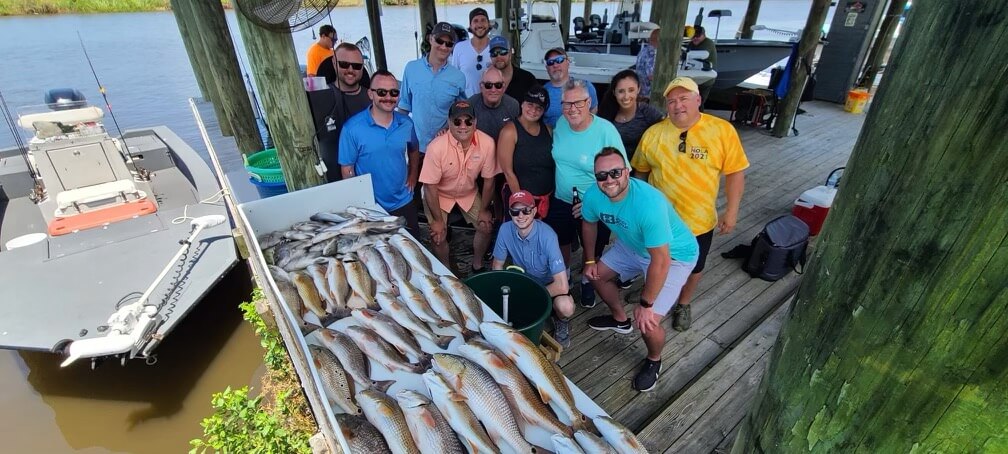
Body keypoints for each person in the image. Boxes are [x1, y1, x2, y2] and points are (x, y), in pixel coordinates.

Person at [632, 77, 748, 332]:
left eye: (684, 98)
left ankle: (683, 302)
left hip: (698, 220)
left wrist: (731, 211)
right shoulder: (654, 134)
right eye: (672, 101)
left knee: (695, 266)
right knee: (654, 258)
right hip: (658, 220)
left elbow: (736, 172)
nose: (677, 105)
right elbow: (639, 171)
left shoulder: (721, 130)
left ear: (698, 100)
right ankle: (652, 293)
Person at [582, 147, 699, 392]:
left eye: (615, 172)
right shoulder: (593, 195)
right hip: (632, 244)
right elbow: (589, 224)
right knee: (594, 276)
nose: (609, 180)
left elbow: (661, 261)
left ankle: (654, 359)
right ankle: (619, 318)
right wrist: (590, 259)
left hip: (674, 256)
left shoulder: (649, 203)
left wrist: (646, 305)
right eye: (602, 175)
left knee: (648, 322)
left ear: (627, 171)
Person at [546, 79, 625, 309]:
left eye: (578, 103)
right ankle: (566, 276)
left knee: (594, 248)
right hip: (562, 199)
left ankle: (588, 280)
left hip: (596, 203)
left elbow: (621, 174)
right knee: (561, 241)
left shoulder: (605, 131)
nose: (572, 109)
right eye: (566, 104)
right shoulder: (561, 124)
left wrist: (594, 200)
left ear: (589, 102)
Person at [338, 70, 421, 238]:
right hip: (371, 206)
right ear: (370, 94)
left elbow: (414, 149)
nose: (388, 97)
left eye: (394, 92)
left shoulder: (406, 123)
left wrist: (413, 175)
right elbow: (347, 169)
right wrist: (359, 202)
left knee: (414, 244)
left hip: (403, 200)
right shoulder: (352, 129)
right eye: (382, 92)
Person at [419, 100, 499, 273]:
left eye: (468, 121)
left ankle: (477, 265)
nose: (463, 126)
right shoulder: (435, 147)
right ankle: (447, 271)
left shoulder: (487, 143)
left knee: (486, 225)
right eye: (457, 121)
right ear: (449, 123)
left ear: (475, 122)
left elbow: (489, 181)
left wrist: (485, 209)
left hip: (468, 193)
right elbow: (429, 187)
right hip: (438, 195)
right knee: (438, 235)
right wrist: (438, 221)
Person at [491, 190, 575, 347]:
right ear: (510, 213)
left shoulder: (548, 236)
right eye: (515, 212)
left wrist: (530, 297)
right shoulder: (504, 229)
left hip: (548, 286)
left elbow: (562, 285)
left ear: (534, 211)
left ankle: (561, 320)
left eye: (526, 210)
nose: (520, 215)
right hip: (524, 283)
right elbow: (497, 266)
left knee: (566, 307)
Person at [398, 22, 467, 154]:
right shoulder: (411, 68)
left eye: (449, 44)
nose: (443, 47)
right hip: (416, 147)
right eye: (439, 41)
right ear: (430, 39)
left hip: (446, 147)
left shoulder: (459, 77)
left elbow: (462, 111)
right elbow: (403, 107)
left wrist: (448, 128)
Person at [316, 43, 372, 182]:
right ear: (334, 62)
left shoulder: (373, 98)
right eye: (344, 64)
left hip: (368, 177)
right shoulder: (320, 97)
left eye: (357, 66)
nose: (350, 70)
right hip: (332, 177)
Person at [497, 85, 554, 219]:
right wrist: (522, 203)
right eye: (530, 104)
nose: (533, 110)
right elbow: (508, 172)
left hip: (546, 199)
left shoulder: (548, 130)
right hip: (520, 201)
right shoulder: (509, 131)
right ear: (522, 104)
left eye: (539, 108)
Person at [598, 70, 665, 161]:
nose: (626, 96)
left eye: (631, 90)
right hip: (611, 167)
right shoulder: (606, 112)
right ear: (614, 92)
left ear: (638, 89)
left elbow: (667, 128)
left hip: (640, 169)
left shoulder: (647, 112)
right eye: (621, 91)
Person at [542, 48, 598, 127]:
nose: (555, 65)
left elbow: (593, 111)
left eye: (559, 60)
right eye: (550, 62)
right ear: (547, 68)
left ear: (568, 62)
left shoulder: (586, 86)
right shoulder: (542, 92)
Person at [468, 67, 521, 141]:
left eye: (498, 85)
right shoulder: (471, 105)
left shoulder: (513, 105)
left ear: (503, 87)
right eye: (488, 85)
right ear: (481, 86)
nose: (493, 90)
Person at [450, 8, 493, 97]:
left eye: (483, 20)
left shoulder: (496, 46)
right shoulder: (459, 47)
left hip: (491, 103)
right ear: (470, 25)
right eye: (475, 21)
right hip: (466, 105)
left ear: (488, 24)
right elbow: (453, 79)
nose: (480, 24)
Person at [488, 35, 537, 102]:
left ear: (510, 53)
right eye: (494, 53)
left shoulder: (528, 79)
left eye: (503, 52)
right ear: (490, 57)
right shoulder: (486, 80)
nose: (498, 56)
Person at [687, 26, 718, 107]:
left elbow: (701, 54)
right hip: (693, 77)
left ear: (703, 35)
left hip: (705, 79)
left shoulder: (708, 43)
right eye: (693, 36)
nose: (695, 38)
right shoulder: (691, 44)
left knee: (699, 102)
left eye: (698, 36)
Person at [634, 28, 660, 97]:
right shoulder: (652, 53)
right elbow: (651, 76)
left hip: (640, 91)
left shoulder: (643, 51)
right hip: (647, 95)